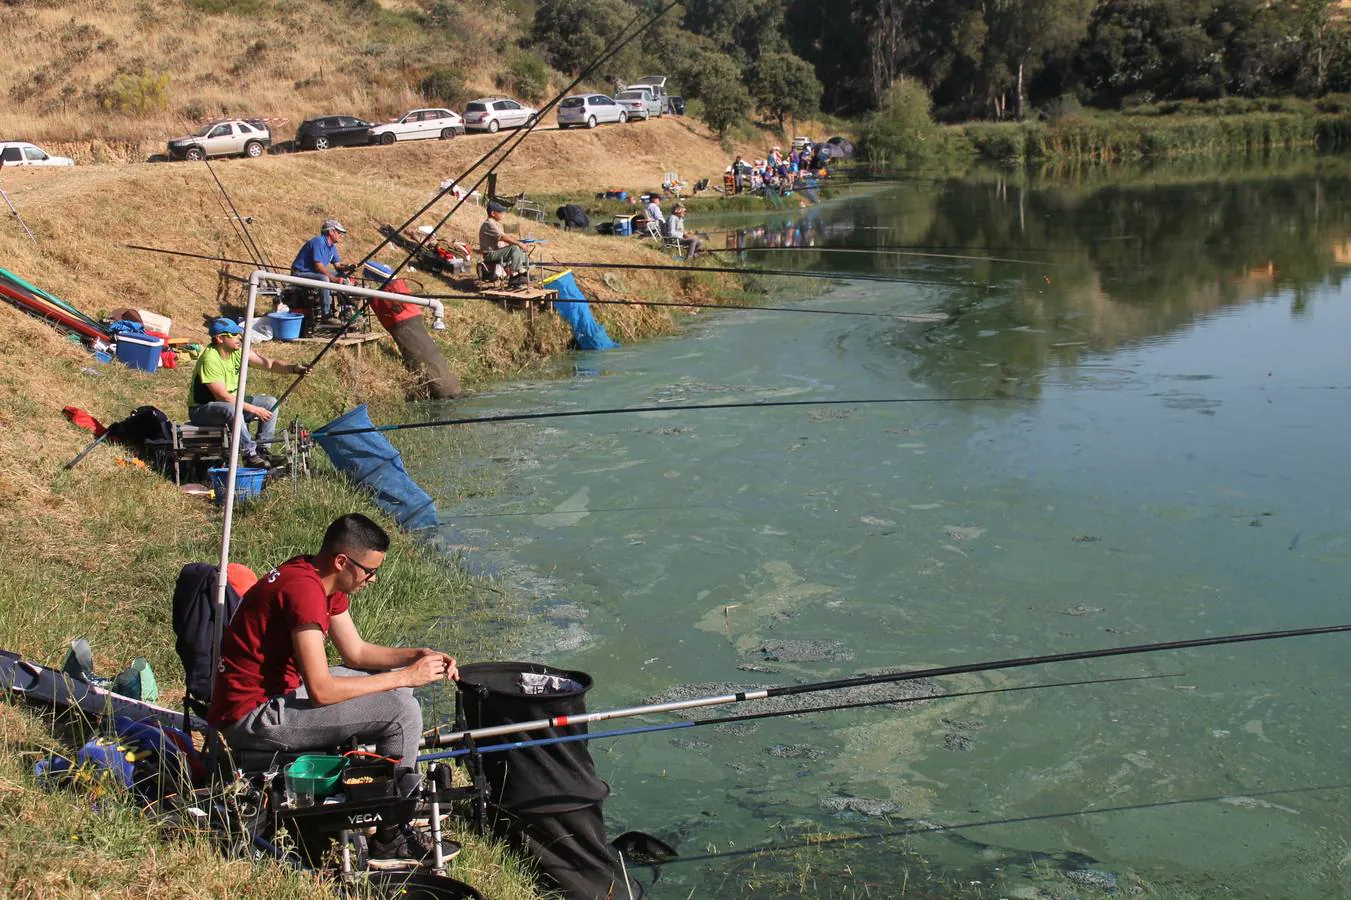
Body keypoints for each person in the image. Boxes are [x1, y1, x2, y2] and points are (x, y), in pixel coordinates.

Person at [209, 513, 459, 866]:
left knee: (401, 696)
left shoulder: (319, 579)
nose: (372, 580)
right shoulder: (304, 592)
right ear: (342, 561)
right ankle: (390, 836)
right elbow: (322, 691)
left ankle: (385, 795)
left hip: (272, 697)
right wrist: (404, 677)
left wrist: (416, 657)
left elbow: (355, 652)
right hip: (251, 717)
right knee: (402, 710)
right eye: (369, 571)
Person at [188, 317, 309, 468]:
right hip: (202, 410)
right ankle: (249, 454)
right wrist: (254, 409)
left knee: (270, 402)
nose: (239, 337)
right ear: (220, 338)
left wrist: (294, 368)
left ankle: (263, 450)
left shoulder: (238, 351)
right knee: (234, 409)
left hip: (229, 405)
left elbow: (270, 364)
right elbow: (222, 397)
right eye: (234, 334)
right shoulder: (210, 359)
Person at [291, 219, 351, 322]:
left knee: (342, 275)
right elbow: (318, 266)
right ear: (331, 232)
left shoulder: (332, 246)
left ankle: (347, 308)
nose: (341, 235)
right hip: (300, 273)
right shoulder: (318, 241)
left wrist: (348, 267)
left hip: (314, 273)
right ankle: (326, 315)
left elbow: (337, 265)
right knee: (324, 279)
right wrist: (334, 279)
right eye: (339, 232)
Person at [478, 200, 531, 288]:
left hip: (496, 251)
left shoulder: (495, 223)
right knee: (515, 248)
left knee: (519, 249)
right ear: (493, 213)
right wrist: (519, 243)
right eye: (500, 212)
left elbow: (503, 239)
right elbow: (503, 237)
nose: (503, 214)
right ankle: (515, 276)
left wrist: (518, 244)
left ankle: (523, 273)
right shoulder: (489, 224)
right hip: (490, 254)